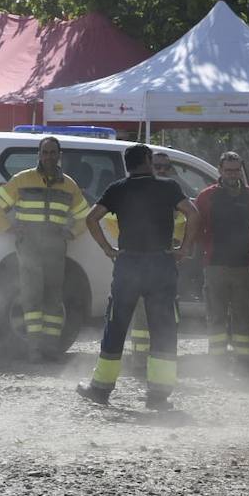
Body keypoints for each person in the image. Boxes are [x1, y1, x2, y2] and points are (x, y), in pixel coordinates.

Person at [77, 143, 200, 409]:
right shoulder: (168, 187)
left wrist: (109, 249)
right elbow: (192, 213)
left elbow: (91, 219)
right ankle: (158, 395)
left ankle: (100, 389)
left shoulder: (117, 189)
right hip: (161, 263)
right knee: (163, 328)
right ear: (146, 160)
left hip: (128, 263)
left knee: (117, 325)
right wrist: (185, 249)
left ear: (127, 164)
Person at [0, 136, 91, 356]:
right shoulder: (22, 180)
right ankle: (34, 348)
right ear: (39, 155)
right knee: (32, 296)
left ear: (59, 155)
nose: (49, 157)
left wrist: (71, 232)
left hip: (55, 246)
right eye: (45, 152)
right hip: (29, 246)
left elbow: (85, 216)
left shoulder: (69, 185)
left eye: (53, 153)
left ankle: (50, 348)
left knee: (53, 297)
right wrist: (9, 228)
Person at [190, 151, 249, 361]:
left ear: (241, 170)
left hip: (243, 267)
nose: (233, 174)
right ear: (220, 170)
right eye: (228, 170)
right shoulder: (207, 196)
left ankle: (243, 360)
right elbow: (196, 227)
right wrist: (207, 246)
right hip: (215, 266)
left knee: (243, 315)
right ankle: (218, 360)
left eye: (236, 170)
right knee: (216, 315)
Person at [125, 151, 188, 375]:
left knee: (166, 312)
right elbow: (113, 219)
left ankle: (161, 361)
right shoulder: (137, 190)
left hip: (165, 261)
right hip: (138, 261)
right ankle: (140, 362)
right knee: (142, 312)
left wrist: (178, 243)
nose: (160, 170)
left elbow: (185, 218)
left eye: (165, 167)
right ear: (149, 166)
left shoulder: (171, 192)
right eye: (157, 165)